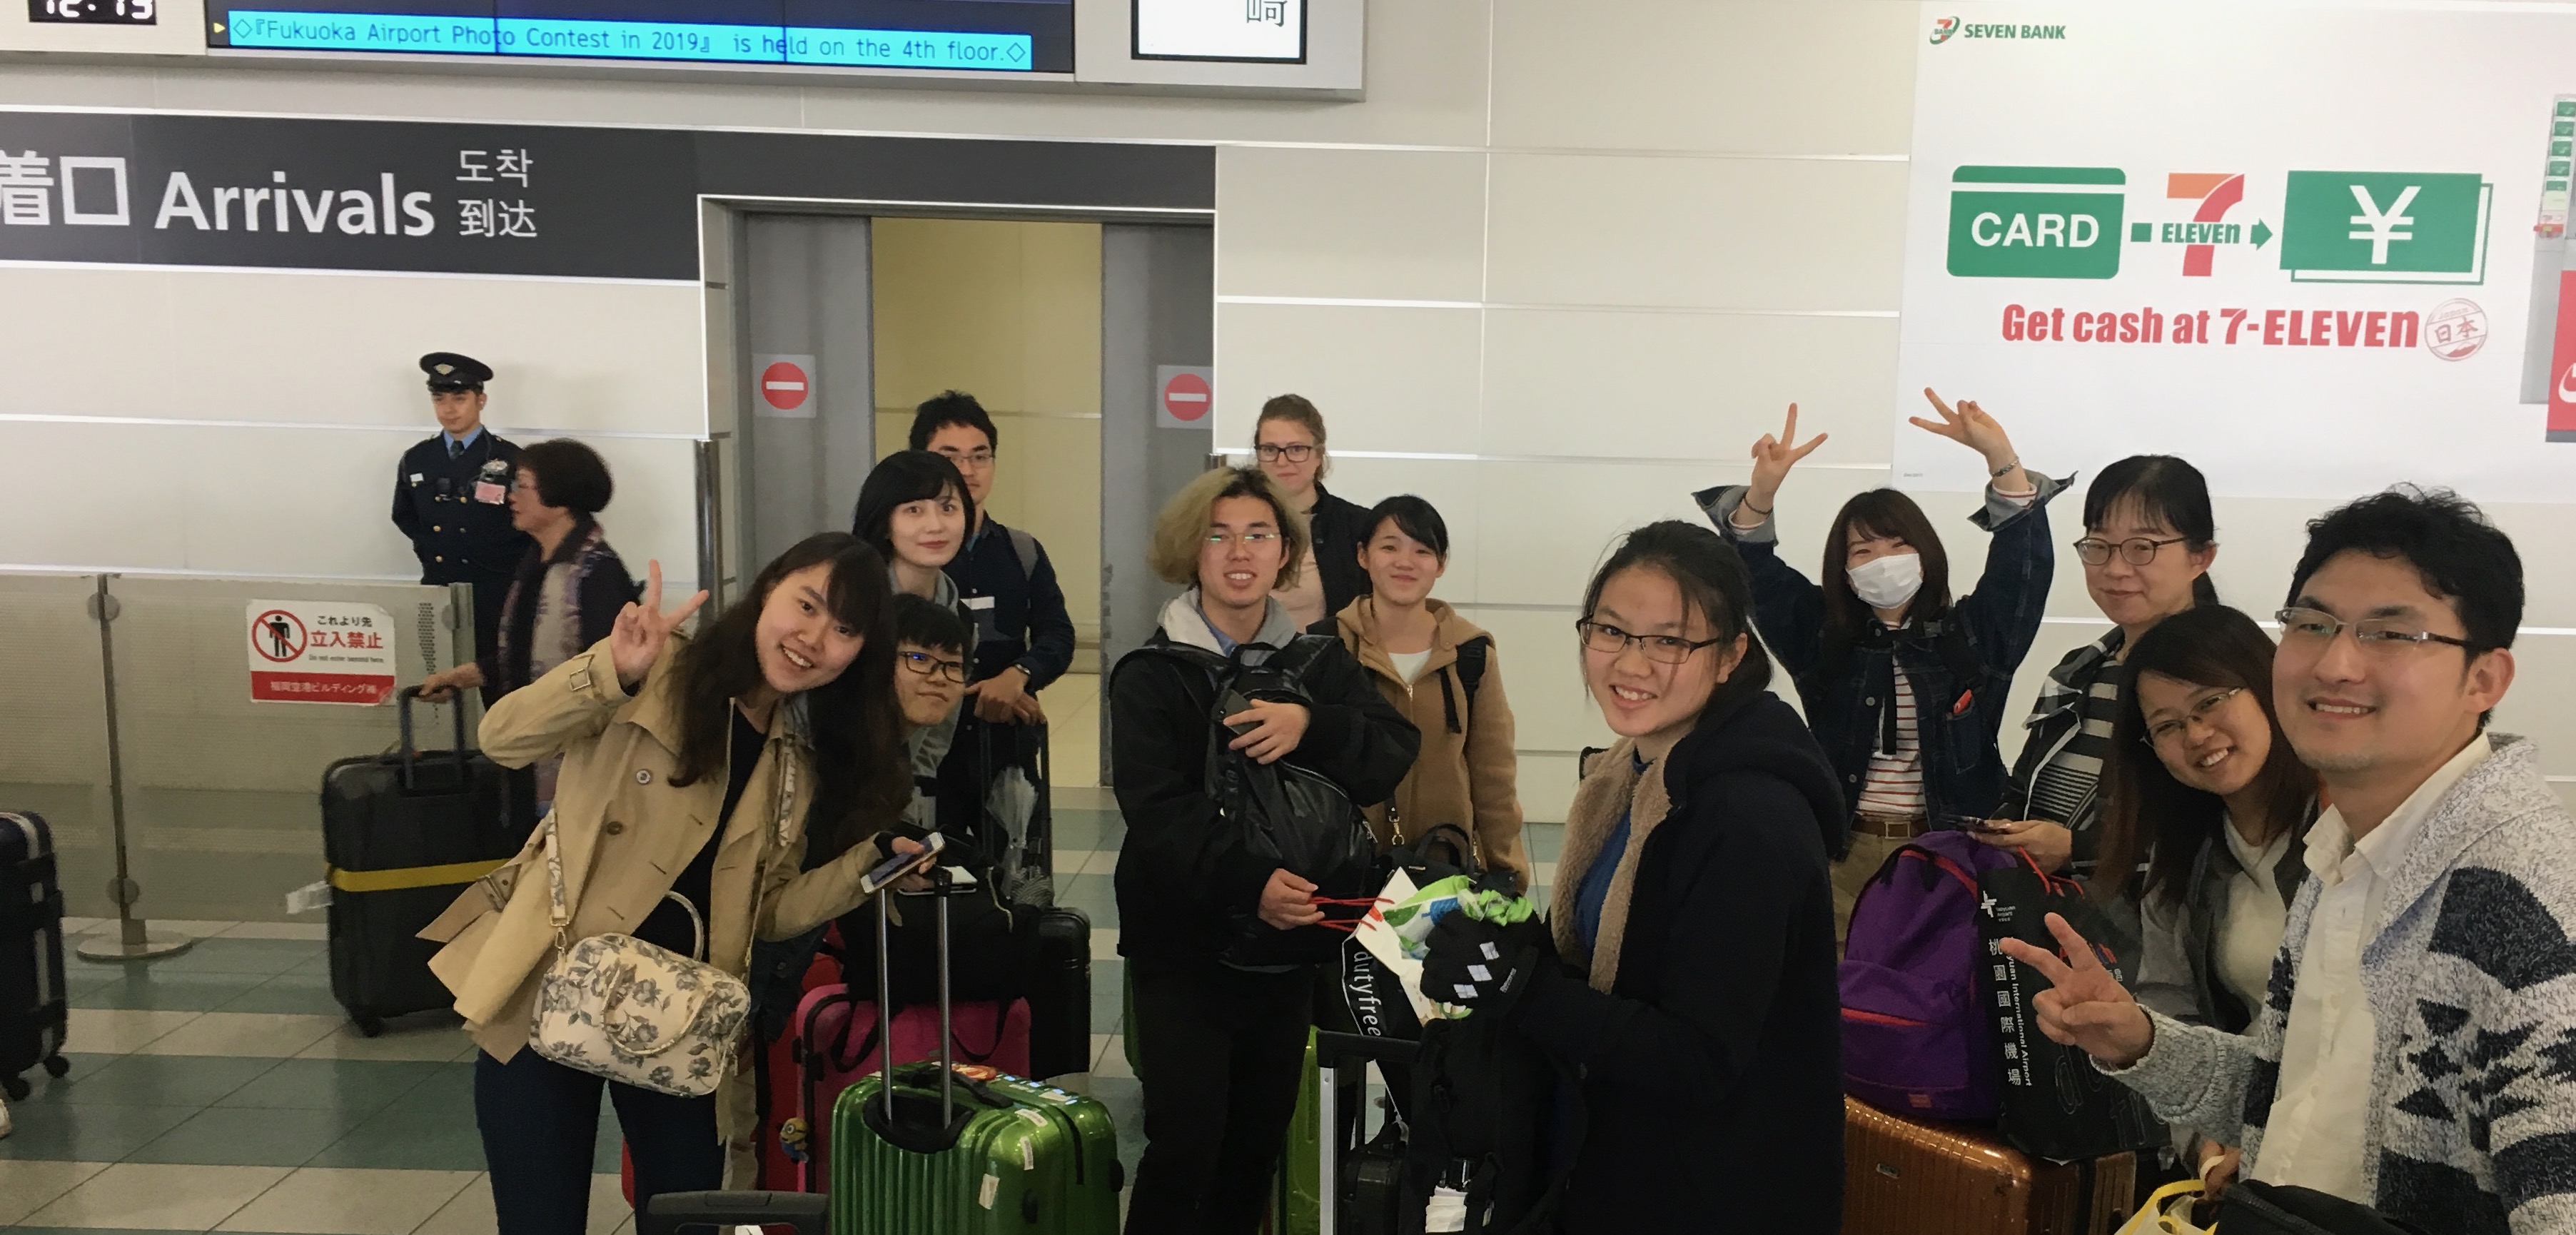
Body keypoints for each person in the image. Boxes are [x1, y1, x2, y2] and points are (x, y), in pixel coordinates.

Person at [2001, 488, 2576, 1234]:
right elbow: (2290, 1093)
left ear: (2484, 679)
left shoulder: (2523, 896)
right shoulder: (2343, 854)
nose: (2336, 662)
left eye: (2389, 634)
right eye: (2312, 624)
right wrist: (2141, 1039)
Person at [423, 534, 924, 1229]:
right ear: (768, 587)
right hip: (548, 980)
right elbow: (503, 737)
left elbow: (770, 910)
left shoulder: (792, 763)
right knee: (540, 1218)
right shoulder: (657, 668)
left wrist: (871, 865)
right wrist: (610, 669)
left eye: (844, 629)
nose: (814, 638)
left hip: (679, 1016)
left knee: (686, 1215)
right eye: (805, 605)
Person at [1422, 520, 1847, 1233]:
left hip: (1714, 1190)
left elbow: (1700, 1055)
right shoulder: (1630, 775)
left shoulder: (1747, 819)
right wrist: (1511, 947)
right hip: (1621, 1161)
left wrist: (1522, 989)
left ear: (1730, 654)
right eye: (1612, 631)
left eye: (1670, 640)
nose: (1632, 662)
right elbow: (1612, 969)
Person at [1108, 465, 1417, 1235]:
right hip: (1185, 948)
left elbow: (1391, 748)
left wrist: (1311, 726)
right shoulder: (1153, 673)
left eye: (1259, 534)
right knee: (1185, 1143)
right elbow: (1159, 812)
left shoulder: (1315, 661)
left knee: (1255, 1144)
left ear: (1286, 552)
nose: (1238, 551)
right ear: (1192, 550)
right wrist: (1251, 883)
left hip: (1289, 950)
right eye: (1218, 534)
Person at [1697, 392, 2056, 937]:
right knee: (1839, 1003)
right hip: (1842, 855)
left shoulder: (1973, 636)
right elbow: (1752, 574)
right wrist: (1761, 493)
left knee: (1939, 1000)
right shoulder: (1822, 637)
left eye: (1897, 544)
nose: (1883, 560)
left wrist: (1999, 458)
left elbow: (2022, 570)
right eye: (1862, 551)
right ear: (1842, 571)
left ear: (1925, 553)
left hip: (1951, 856)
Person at [2094, 605, 2320, 1194]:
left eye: (2210, 702)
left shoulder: (2345, 828)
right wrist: (2206, 1142)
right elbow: (2172, 1013)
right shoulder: (2180, 865)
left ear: (2267, 686)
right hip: (2239, 1155)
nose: (2196, 735)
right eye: (2167, 726)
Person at [1984, 455, 2220, 884]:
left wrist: (2076, 850)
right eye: (2099, 545)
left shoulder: (2222, 679)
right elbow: (2022, 792)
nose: (2114, 569)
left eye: (2142, 547)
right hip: (2050, 919)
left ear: (2199, 557)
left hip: (2149, 934)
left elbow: (2222, 829)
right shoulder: (2077, 670)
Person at [1315, 493, 1532, 891]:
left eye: (1422, 550)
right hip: (1347, 872)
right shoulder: (1326, 646)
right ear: (1363, 556)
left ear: (1441, 564)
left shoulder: (1471, 653)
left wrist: (1507, 873)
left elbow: (1493, 775)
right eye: (1389, 547)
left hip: (1445, 868)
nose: (1405, 562)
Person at [418, 439, 637, 819]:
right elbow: (523, 655)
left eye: (522, 486)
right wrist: (465, 676)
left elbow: (612, 677)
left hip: (577, 772)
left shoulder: (596, 572)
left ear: (560, 496)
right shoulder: (536, 562)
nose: (510, 497)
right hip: (529, 753)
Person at [911, 391, 1076, 851]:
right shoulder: (901, 558)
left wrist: (1018, 676)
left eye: (980, 456)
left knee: (1016, 886)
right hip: (919, 761)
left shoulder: (1020, 551)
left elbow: (1057, 634)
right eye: (950, 457)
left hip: (1004, 753)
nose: (967, 471)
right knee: (918, 893)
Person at [852, 450, 974, 845]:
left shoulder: (958, 618)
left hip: (897, 801)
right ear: (884, 522)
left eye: (948, 507)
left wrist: (906, 807)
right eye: (913, 510)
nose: (935, 525)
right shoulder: (854, 607)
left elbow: (937, 730)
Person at [392, 352, 531, 682]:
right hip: (440, 588)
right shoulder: (418, 458)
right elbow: (405, 515)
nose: (449, 409)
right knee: (439, 685)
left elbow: (531, 524)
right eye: (439, 399)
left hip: (495, 593)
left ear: (481, 400)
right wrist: (432, 550)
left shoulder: (510, 458)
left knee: (501, 688)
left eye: (459, 398)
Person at [1253, 394, 1373, 628]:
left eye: (1296, 449)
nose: (1282, 461)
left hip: (1328, 661)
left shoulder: (1359, 527)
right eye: (1270, 449)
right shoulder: (1232, 524)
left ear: (1319, 455)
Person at [889, 593, 972, 830]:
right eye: (919, 658)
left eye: (953, 665)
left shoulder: (896, 755)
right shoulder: (837, 758)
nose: (939, 678)